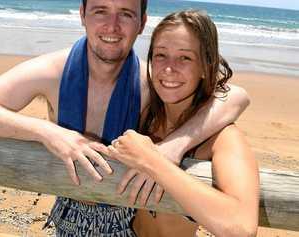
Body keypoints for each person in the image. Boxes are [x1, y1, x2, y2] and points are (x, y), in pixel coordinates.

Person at [0, 1, 250, 236]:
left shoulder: (153, 83)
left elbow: (235, 96)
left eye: (125, 13)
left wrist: (174, 146)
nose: (112, 26)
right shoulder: (52, 71)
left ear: (142, 22)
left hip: (126, 222)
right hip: (67, 216)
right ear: (82, 14)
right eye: (100, 11)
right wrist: (47, 132)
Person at [108, 10, 259, 237]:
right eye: (160, 55)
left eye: (185, 57)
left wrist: (152, 160)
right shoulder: (144, 113)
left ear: (205, 66)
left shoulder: (223, 138)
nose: (169, 69)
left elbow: (241, 228)